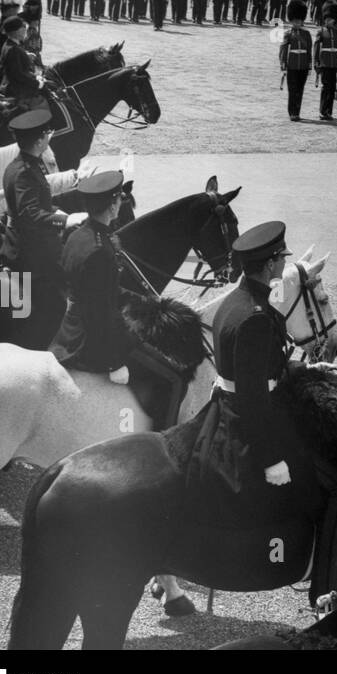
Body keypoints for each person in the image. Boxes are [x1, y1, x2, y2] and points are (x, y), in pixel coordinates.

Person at [186, 221, 311, 510]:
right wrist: (271, 459)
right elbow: (252, 395)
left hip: (222, 406)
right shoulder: (256, 317)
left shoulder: (234, 302)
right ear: (269, 265)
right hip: (245, 421)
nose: (283, 263)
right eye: (282, 258)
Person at [49, 170, 185, 429]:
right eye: (119, 200)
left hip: (70, 328)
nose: (120, 204)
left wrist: (147, 303)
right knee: (173, 379)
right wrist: (115, 362)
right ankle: (161, 445)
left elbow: (98, 290)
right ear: (113, 205)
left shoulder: (79, 235)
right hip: (89, 342)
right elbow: (102, 315)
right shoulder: (101, 250)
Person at [2, 110, 81, 339]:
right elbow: (30, 215)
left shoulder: (21, 165)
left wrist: (60, 211)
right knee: (60, 304)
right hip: (31, 255)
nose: (50, 135)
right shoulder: (25, 172)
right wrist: (66, 220)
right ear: (39, 141)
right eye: (47, 133)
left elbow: (36, 205)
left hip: (27, 245)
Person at [0, 14, 42, 105]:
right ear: (16, 31)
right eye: (23, 27)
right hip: (17, 90)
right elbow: (18, 75)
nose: (25, 30)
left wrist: (25, 55)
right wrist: (37, 83)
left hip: (13, 84)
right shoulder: (13, 50)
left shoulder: (9, 44)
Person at [279, 0, 313, 122]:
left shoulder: (307, 34)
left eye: (299, 21)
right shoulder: (288, 34)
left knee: (300, 90)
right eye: (295, 21)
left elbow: (309, 51)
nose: (297, 23)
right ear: (291, 20)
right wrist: (283, 65)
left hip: (303, 65)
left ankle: (297, 112)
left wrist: (309, 65)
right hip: (292, 65)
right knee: (292, 90)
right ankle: (292, 112)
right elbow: (283, 51)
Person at [314, 3, 337, 123]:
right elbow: (316, 48)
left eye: (330, 19)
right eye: (327, 19)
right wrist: (316, 62)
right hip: (325, 63)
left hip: (335, 63)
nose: (328, 21)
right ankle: (322, 111)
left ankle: (328, 111)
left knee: (332, 88)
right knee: (325, 87)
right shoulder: (321, 31)